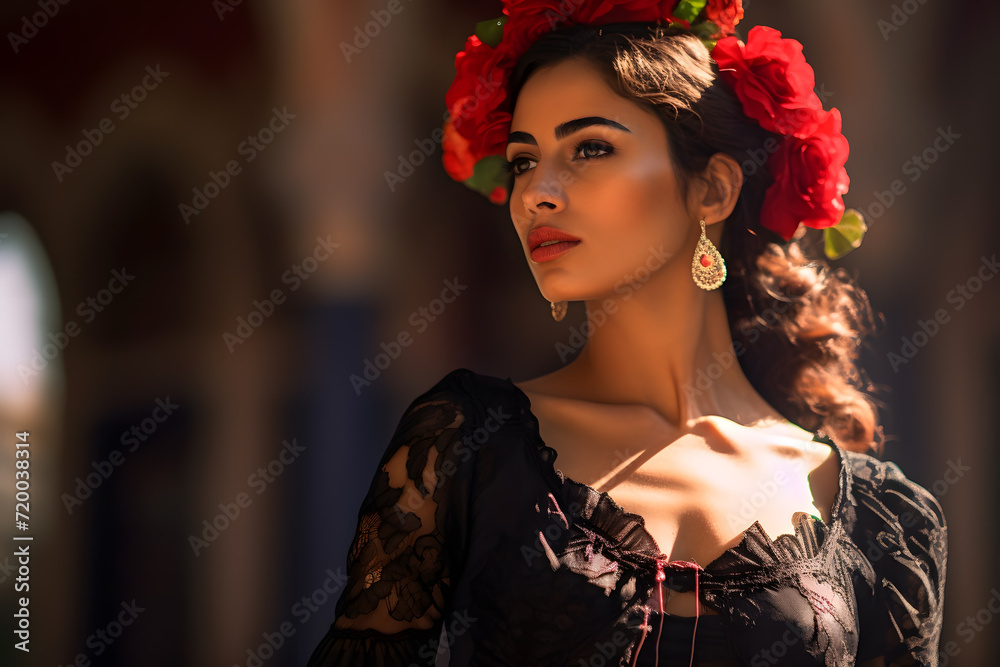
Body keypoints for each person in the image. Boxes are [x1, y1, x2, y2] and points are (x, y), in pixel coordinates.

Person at [307, 1, 947, 664]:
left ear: (712, 190)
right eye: (524, 161)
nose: (536, 193)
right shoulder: (465, 444)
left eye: (590, 148)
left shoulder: (886, 519)